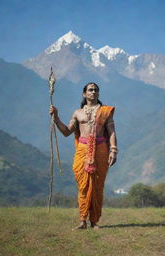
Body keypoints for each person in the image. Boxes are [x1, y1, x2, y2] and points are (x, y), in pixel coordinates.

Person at [49, 82, 117, 229]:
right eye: (90, 90)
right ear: (84, 93)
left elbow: (111, 132)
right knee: (83, 187)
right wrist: (56, 117)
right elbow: (67, 132)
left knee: (97, 186)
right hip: (82, 150)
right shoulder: (77, 113)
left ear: (98, 93)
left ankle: (94, 221)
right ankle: (82, 221)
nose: (93, 92)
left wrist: (113, 150)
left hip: (101, 150)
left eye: (96, 90)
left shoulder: (106, 112)